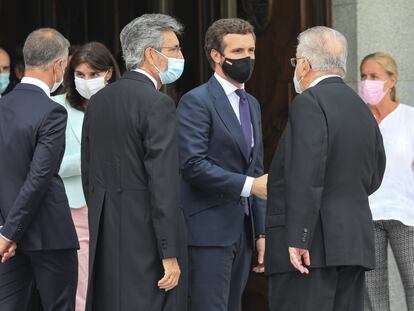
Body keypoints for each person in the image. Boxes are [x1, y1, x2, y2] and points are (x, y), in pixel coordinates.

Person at [265, 26, 386, 311]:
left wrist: (299, 237)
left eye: (296, 61)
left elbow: (305, 173)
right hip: (352, 244)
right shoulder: (361, 107)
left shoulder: (310, 102)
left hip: (311, 250)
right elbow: (376, 173)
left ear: (305, 65)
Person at [81, 14, 187, 311]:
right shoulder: (158, 103)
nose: (180, 56)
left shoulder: (99, 101)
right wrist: (169, 252)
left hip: (106, 233)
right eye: (174, 49)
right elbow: (163, 181)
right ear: (151, 55)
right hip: (148, 239)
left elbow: (89, 173)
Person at [177, 18, 267, 311]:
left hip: (243, 230)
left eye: (251, 50)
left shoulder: (251, 103)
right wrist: (249, 186)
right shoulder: (196, 101)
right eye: (238, 51)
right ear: (217, 56)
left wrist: (261, 232)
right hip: (209, 232)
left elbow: (255, 167)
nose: (248, 59)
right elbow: (192, 164)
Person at [0, 28, 79, 310]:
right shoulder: (52, 111)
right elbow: (39, 177)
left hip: (7, 232)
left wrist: (7, 231)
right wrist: (10, 233)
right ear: (59, 65)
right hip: (48, 234)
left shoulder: (2, 105)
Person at [52, 41, 120, 311]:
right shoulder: (56, 106)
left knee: (116, 279)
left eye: (93, 74)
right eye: (80, 74)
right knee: (82, 285)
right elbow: (50, 164)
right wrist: (90, 157)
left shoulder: (121, 105)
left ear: (109, 73)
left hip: (118, 205)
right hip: (76, 206)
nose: (87, 80)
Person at [359, 52, 414, 311]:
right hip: (366, 216)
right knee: (373, 294)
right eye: (363, 76)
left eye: (374, 76)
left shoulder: (409, 118)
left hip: (406, 216)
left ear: (392, 81)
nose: (367, 82)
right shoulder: (357, 121)